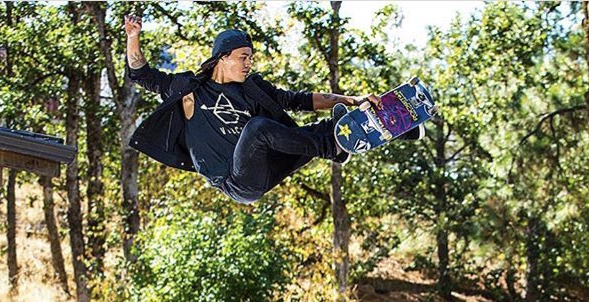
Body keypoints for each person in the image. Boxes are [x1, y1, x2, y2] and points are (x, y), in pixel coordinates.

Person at [123, 15, 423, 205]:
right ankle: (333, 145)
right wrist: (133, 37)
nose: (248, 64)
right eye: (243, 57)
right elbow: (141, 73)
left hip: (265, 168)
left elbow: (298, 100)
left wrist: (351, 100)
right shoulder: (190, 89)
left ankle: (389, 129)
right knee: (259, 129)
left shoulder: (252, 89)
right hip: (234, 181)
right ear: (222, 58)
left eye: (250, 58)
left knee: (327, 129)